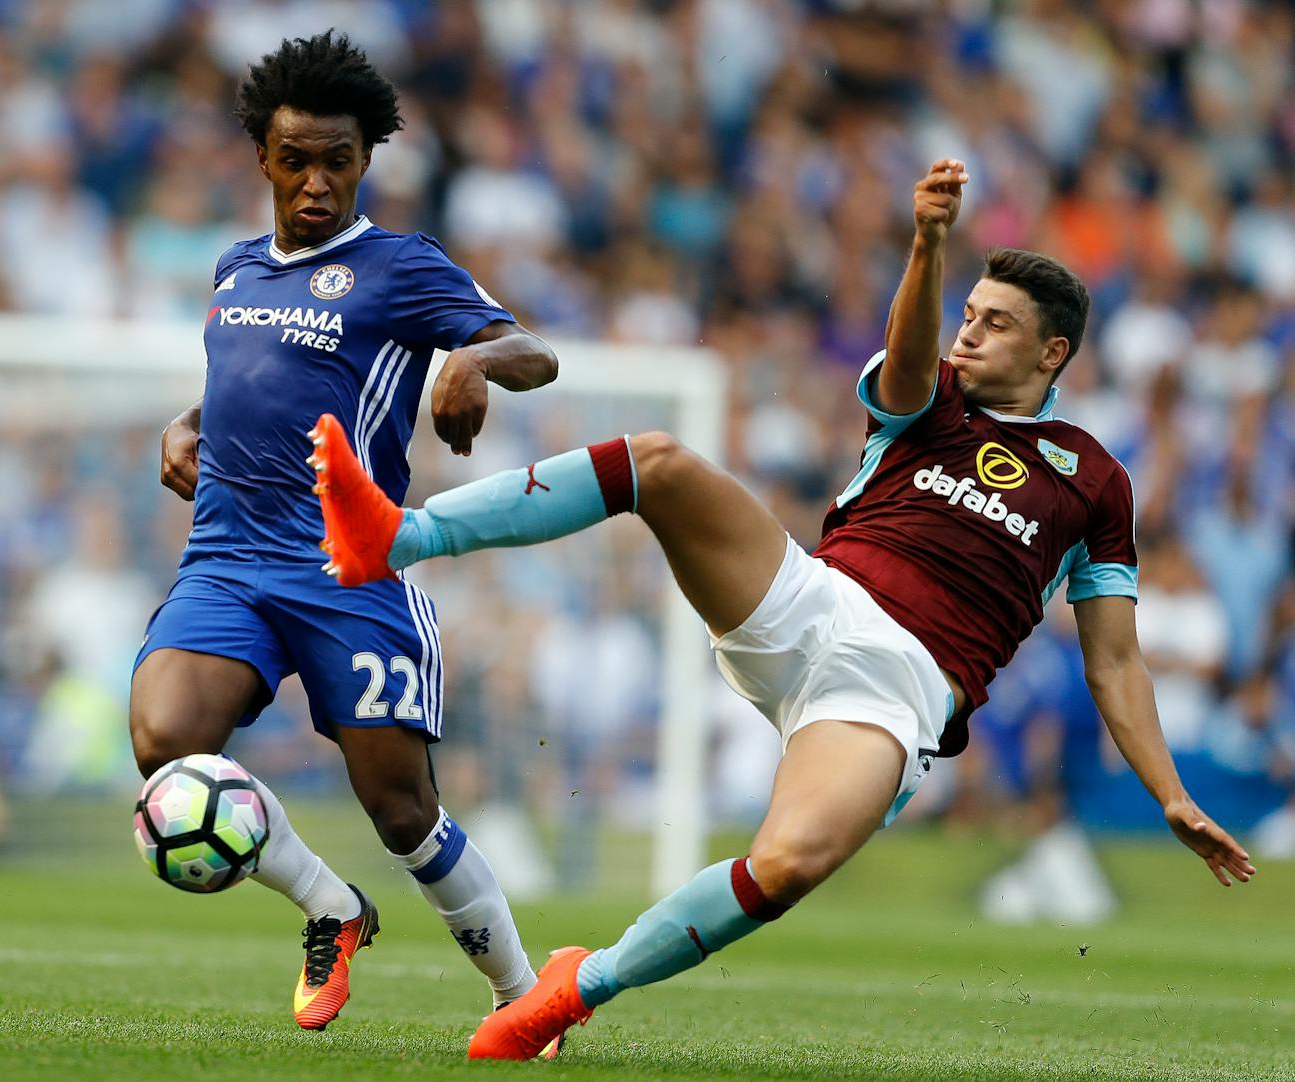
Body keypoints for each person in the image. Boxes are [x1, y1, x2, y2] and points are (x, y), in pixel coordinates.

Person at [307, 158, 1256, 1059]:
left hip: (898, 689)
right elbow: (914, 359)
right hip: (809, 598)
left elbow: (1117, 661)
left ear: (1054, 351)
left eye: (996, 324)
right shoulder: (931, 400)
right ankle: (398, 538)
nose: (969, 333)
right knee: (663, 463)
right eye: (968, 313)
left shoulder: (1095, 481)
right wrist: (925, 245)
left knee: (789, 865)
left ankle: (575, 985)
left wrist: (1170, 795)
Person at [130, 31, 561, 1035]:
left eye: (337, 160)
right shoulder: (235, 270)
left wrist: (472, 361)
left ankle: (521, 995)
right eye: (296, 160)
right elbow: (246, 390)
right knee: (163, 743)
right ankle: (330, 904)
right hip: (228, 560)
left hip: (347, 568)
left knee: (403, 810)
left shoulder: (400, 266)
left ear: (365, 160)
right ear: (262, 159)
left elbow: (532, 349)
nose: (316, 181)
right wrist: (183, 426)